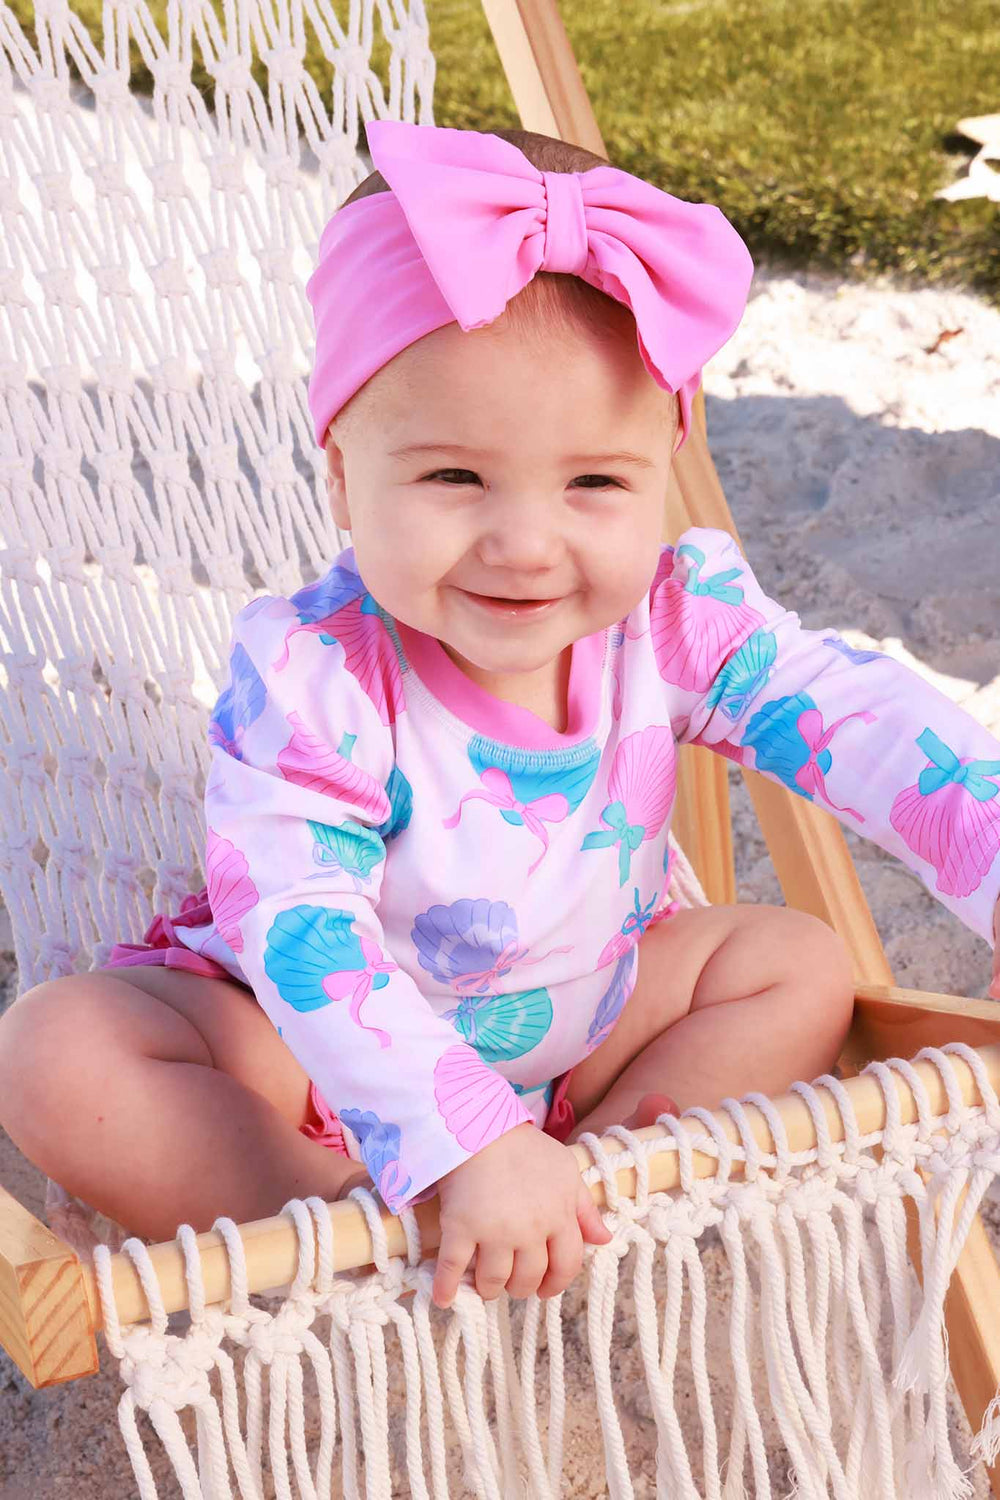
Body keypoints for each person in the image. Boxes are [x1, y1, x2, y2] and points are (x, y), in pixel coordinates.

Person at [1, 122, 998, 1313]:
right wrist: (455, 1136)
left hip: (582, 1041)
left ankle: (570, 1202)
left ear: (660, 471)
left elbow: (875, 727)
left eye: (594, 483)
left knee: (793, 964)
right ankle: (350, 1248)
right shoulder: (315, 673)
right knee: (59, 1052)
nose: (525, 544)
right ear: (339, 474)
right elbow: (298, 916)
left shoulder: (676, 624)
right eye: (453, 478)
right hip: (311, 1059)